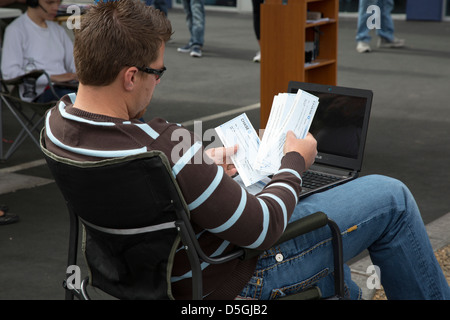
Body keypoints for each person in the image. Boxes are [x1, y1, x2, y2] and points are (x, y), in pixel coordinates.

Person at [43, 0, 450, 300]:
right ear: (131, 76)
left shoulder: (56, 126)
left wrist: (200, 165)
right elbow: (262, 229)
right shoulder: (163, 146)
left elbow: (156, 181)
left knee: (338, 274)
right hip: (227, 283)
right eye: (157, 72)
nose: (158, 83)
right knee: (392, 198)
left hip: (140, 276)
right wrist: (294, 163)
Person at [1, 0, 77, 102]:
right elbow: (9, 73)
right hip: (38, 93)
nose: (56, 7)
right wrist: (51, 78)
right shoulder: (16, 30)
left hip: (65, 87)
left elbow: (74, 63)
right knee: (74, 100)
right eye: (50, 2)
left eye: (58, 3)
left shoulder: (58, 30)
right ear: (33, 2)